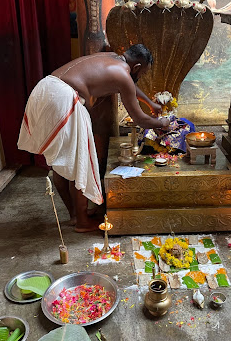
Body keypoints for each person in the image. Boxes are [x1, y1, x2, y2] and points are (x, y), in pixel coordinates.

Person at [17, 44, 170, 232]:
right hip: (64, 99)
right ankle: (82, 222)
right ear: (136, 67)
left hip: (45, 89)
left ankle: (75, 215)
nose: (140, 77)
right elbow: (140, 119)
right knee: (79, 161)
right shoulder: (123, 75)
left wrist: (149, 103)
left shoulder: (112, 57)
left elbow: (129, 86)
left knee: (62, 161)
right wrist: (163, 123)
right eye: (143, 73)